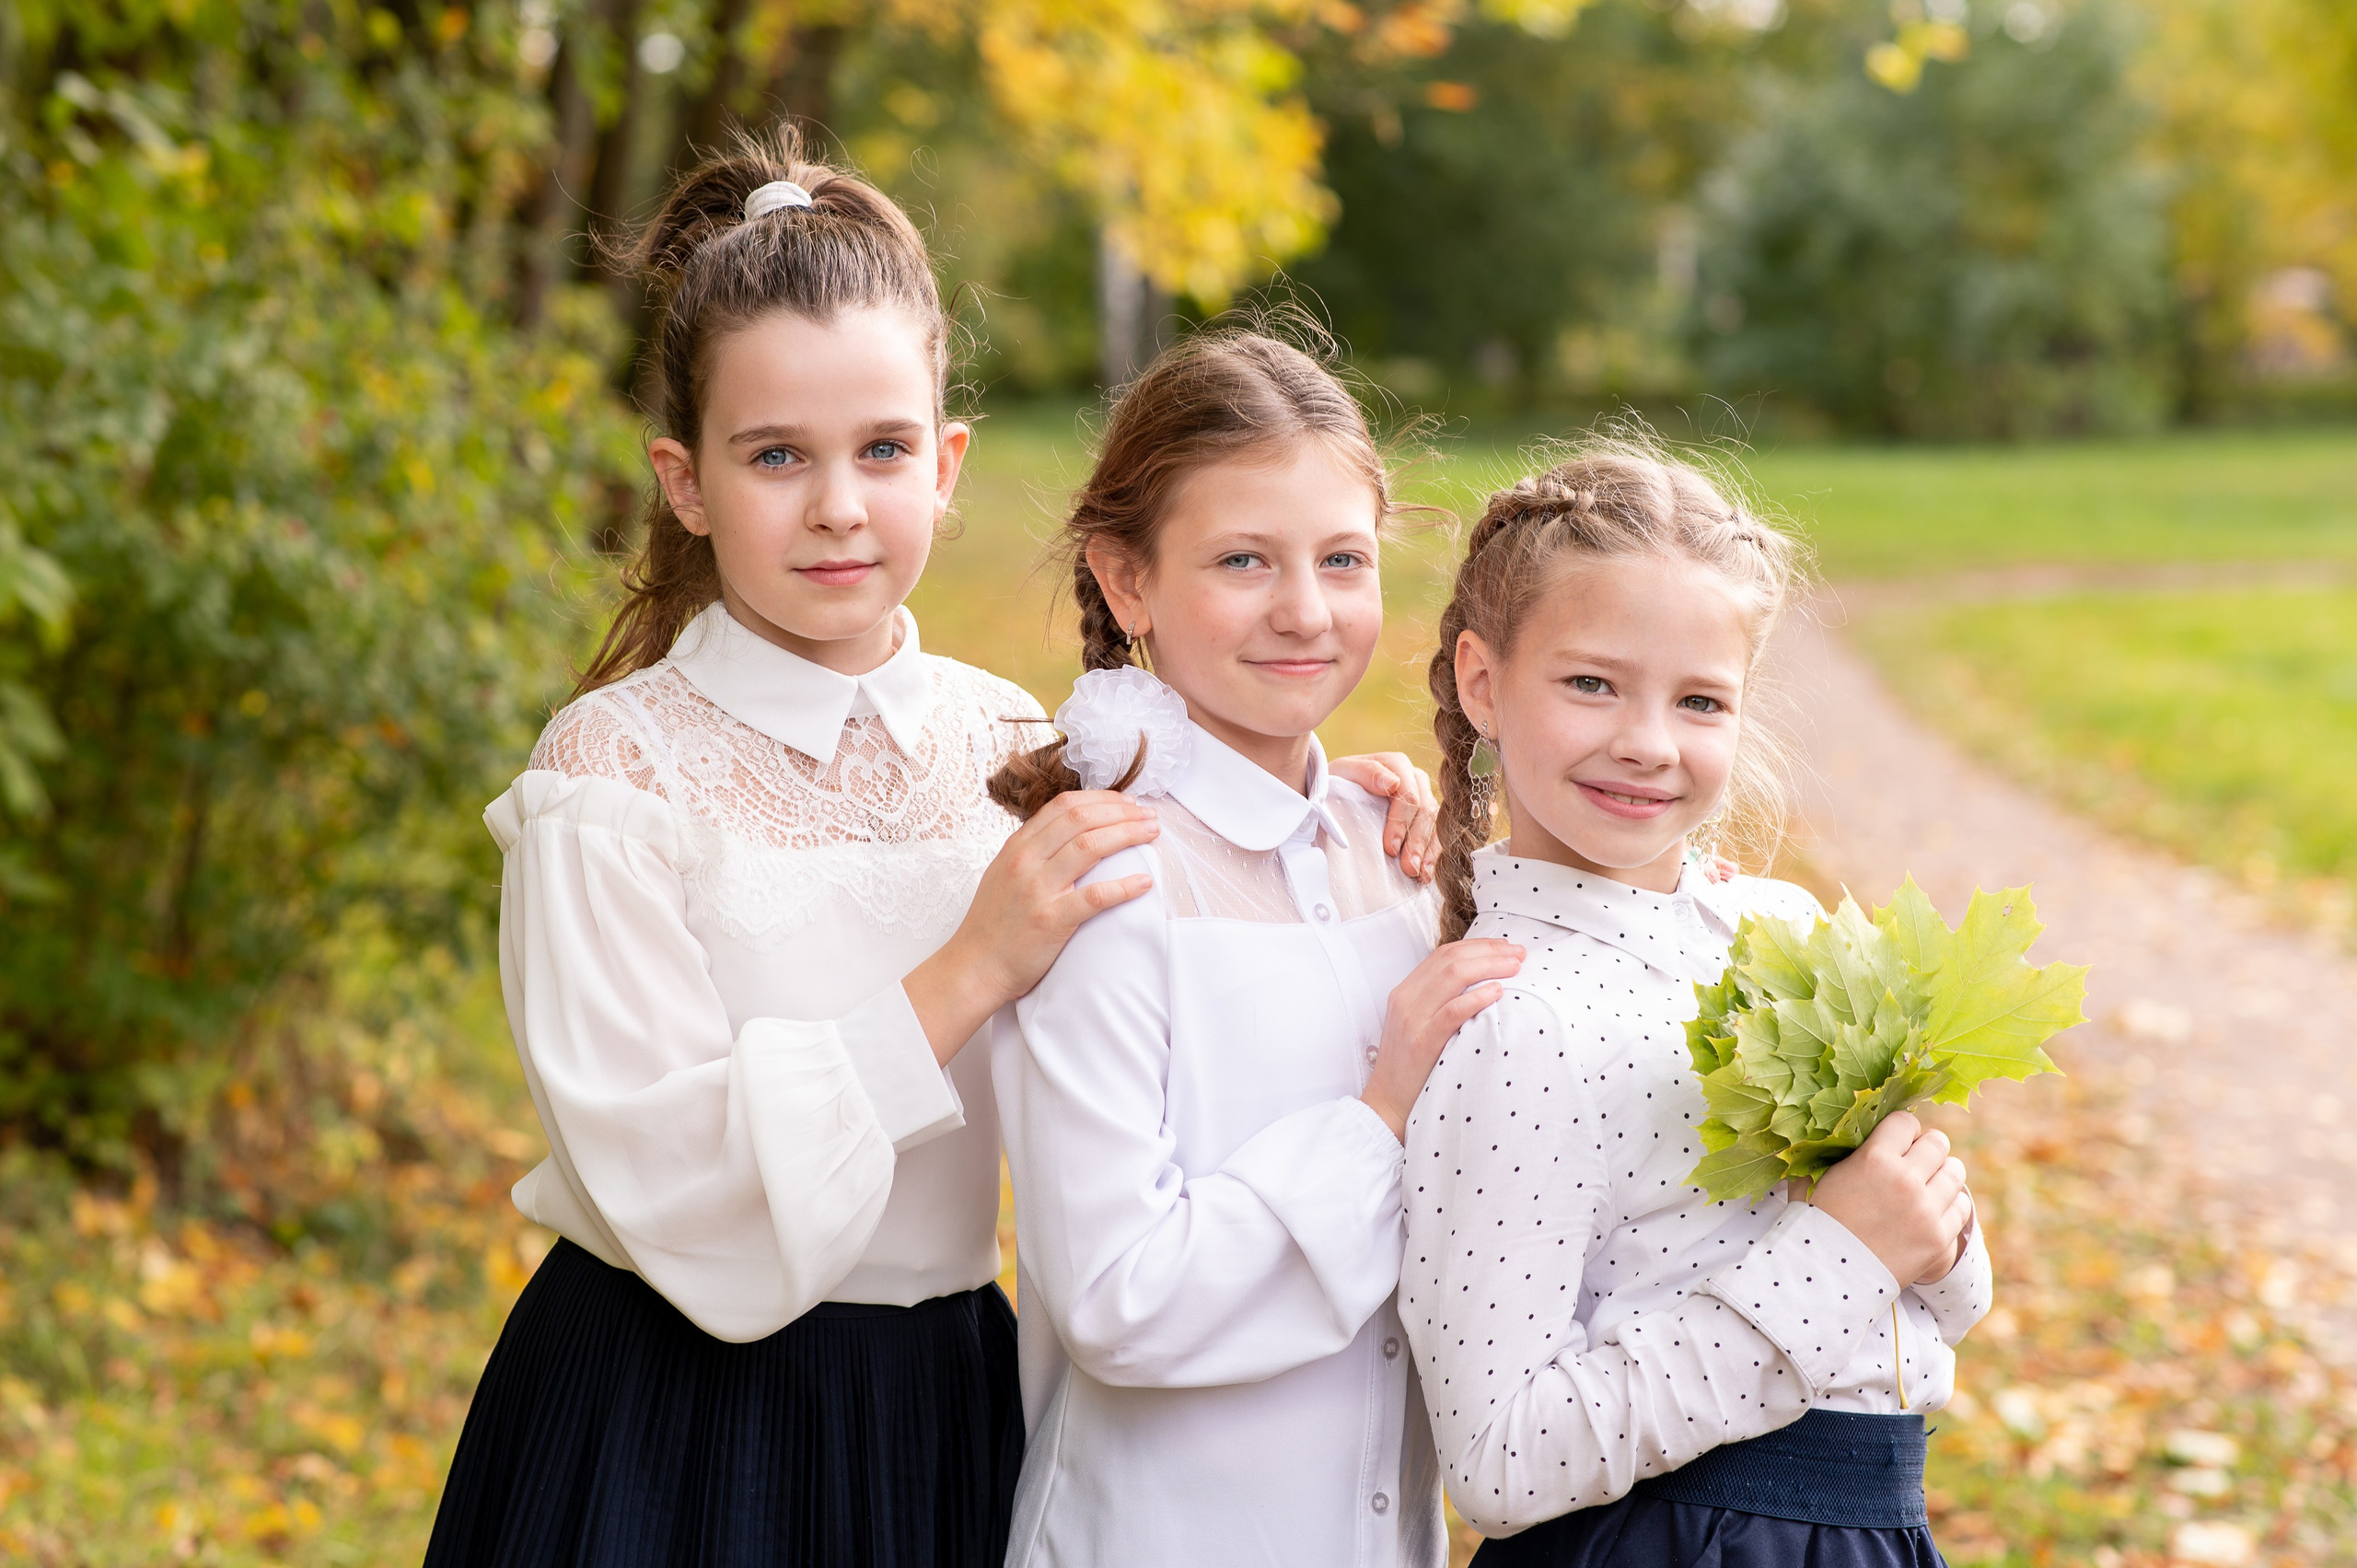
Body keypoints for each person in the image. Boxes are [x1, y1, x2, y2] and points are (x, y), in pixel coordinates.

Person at [424, 137, 1437, 1568]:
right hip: (678, 1421)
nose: (839, 503)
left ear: (946, 463)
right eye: (777, 455)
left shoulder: (1012, 740)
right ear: (686, 481)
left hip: (948, 1406)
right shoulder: (611, 773)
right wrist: (966, 969)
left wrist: (1363, 812)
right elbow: (665, 1178)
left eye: (883, 450)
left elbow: (1221, 833)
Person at [988, 327, 1526, 1568]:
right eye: (1244, 559)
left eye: (1343, 559)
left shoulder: (1394, 856)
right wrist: (1378, 1113)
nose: (1304, 609)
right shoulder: (1108, 881)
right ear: (1128, 581)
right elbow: (1119, 1295)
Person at [1401, 440, 1993, 1566]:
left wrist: (1927, 1224)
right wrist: (1838, 1251)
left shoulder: (1789, 936)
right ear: (1483, 681)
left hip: (1869, 1524)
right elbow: (1497, 1456)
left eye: (1700, 699)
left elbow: (1943, 1298)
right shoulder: (1517, 1021)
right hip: (1677, 1535)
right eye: (1591, 682)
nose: (1647, 741)